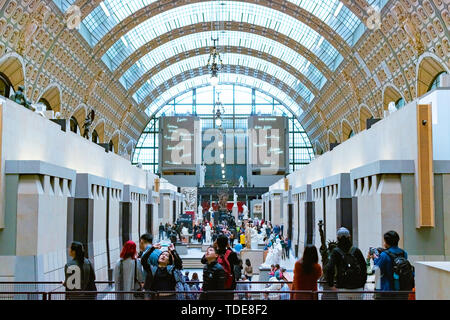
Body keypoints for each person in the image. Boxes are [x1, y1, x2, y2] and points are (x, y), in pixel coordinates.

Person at [325, 227, 367, 300]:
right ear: (349, 237)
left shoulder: (335, 252)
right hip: (357, 287)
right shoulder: (356, 250)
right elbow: (364, 267)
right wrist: (362, 283)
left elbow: (329, 268)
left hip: (342, 287)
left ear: (338, 238)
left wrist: (331, 284)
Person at [371, 231, 414, 299]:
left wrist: (375, 259)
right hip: (401, 288)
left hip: (387, 290)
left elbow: (376, 270)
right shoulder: (404, 253)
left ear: (387, 243)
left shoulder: (384, 255)